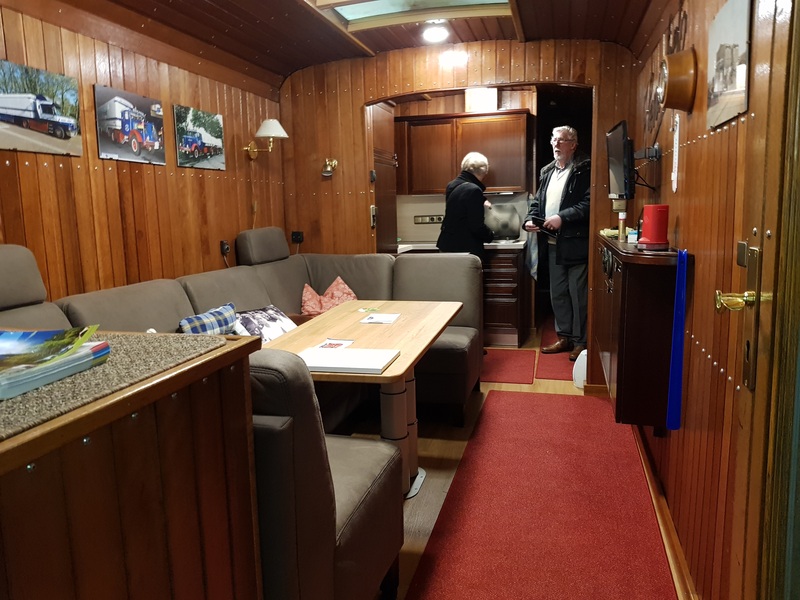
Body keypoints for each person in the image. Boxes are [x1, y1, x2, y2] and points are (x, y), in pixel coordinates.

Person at [523, 126, 590, 361]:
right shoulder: (547, 171)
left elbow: (589, 203)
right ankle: (565, 337)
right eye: (554, 140)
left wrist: (562, 217)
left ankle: (581, 342)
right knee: (558, 293)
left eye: (562, 140)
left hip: (576, 243)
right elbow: (536, 202)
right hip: (552, 243)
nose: (556, 144)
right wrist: (530, 218)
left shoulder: (585, 168)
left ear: (573, 144)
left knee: (578, 294)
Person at [437, 152, 495, 261]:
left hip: (446, 245)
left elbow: (461, 202)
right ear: (484, 172)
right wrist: (491, 235)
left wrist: (481, 199)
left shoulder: (451, 185)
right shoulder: (474, 190)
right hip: (465, 249)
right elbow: (476, 226)